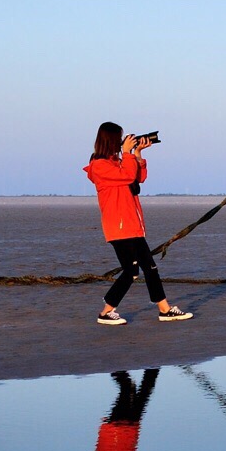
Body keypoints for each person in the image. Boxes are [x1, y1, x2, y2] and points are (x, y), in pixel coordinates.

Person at [84, 121, 193, 325]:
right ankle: (106, 312)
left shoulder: (118, 161)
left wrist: (137, 154)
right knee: (131, 271)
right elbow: (125, 175)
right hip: (119, 227)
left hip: (133, 225)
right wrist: (127, 153)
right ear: (110, 140)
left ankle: (165, 310)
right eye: (120, 138)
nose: (122, 142)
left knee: (150, 268)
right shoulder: (99, 166)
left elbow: (138, 178)